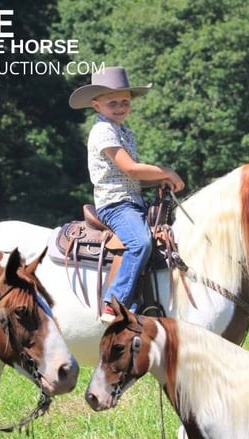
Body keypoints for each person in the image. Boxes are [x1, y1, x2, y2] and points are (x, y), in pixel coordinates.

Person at [69, 66, 185, 322]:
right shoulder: (103, 131)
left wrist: (159, 181)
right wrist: (165, 171)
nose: (120, 107)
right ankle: (114, 302)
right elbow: (130, 169)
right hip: (115, 205)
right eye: (113, 103)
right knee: (140, 242)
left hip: (133, 201)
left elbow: (130, 178)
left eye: (125, 101)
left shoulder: (124, 132)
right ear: (96, 105)